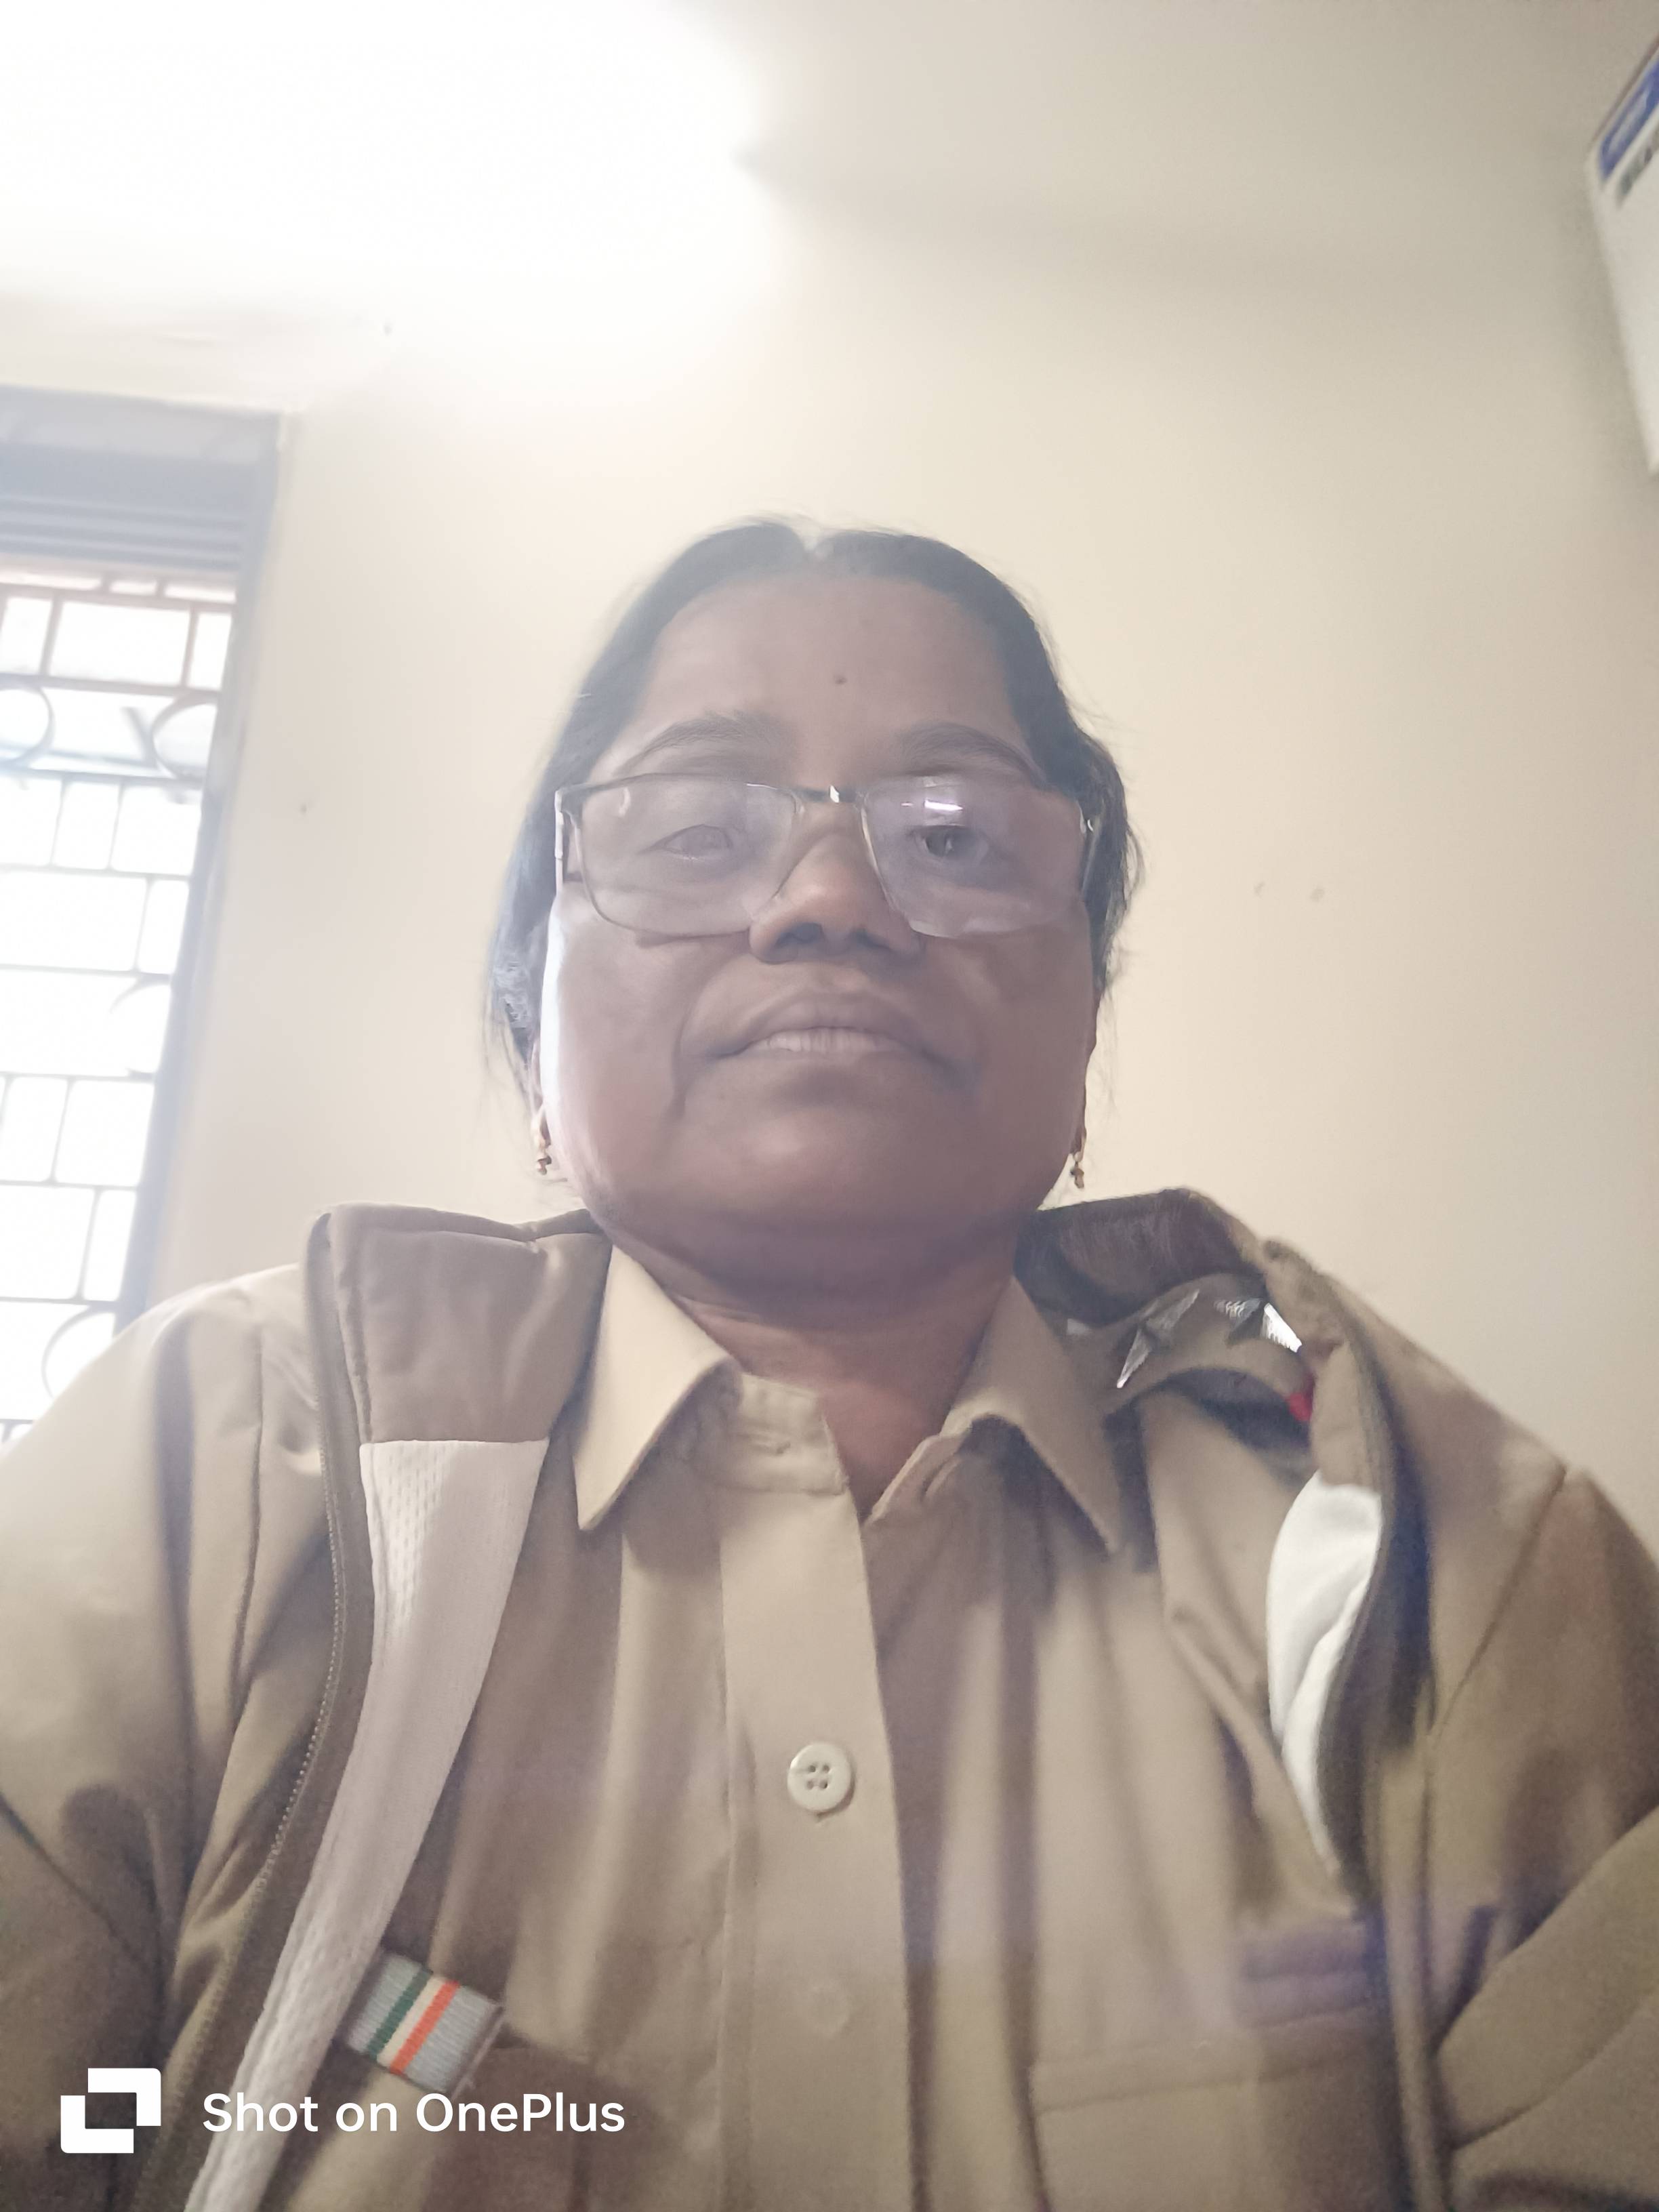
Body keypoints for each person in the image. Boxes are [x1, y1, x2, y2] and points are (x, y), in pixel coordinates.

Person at [1, 520, 1656, 2212]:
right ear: (533, 1019)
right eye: (695, 830)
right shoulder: (210, 1475)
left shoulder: (1429, 1562)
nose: (831, 902)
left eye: (955, 837)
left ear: (1085, 1011)